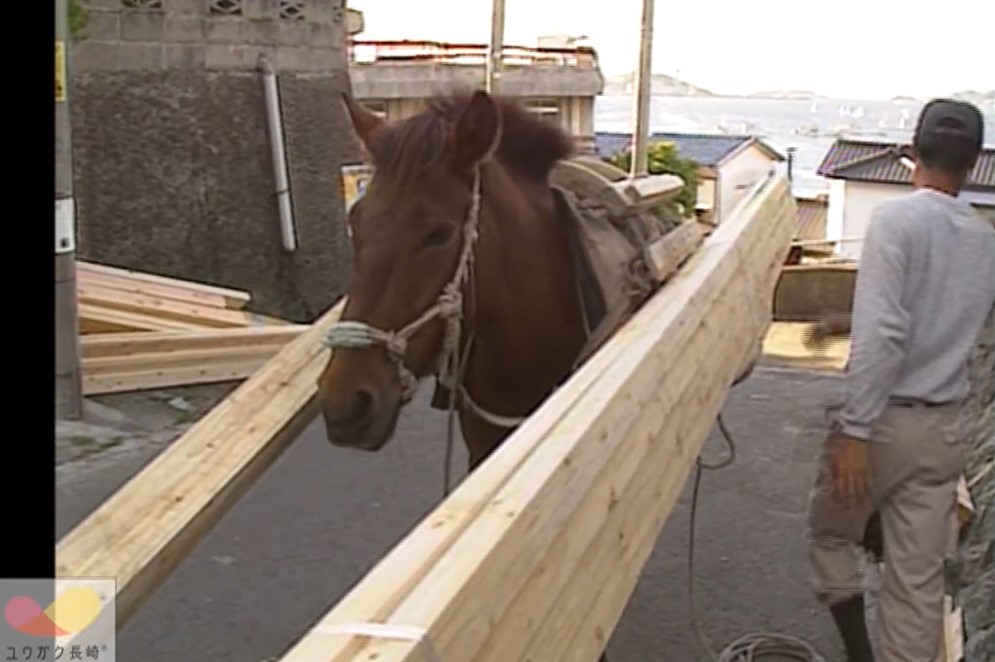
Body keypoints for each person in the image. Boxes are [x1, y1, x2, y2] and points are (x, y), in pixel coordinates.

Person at [805, 98, 995, 662]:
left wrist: (855, 433)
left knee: (832, 533)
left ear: (912, 153)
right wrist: (848, 321)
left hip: (884, 421)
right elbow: (948, 319)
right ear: (973, 164)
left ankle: (859, 654)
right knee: (917, 582)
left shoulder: (894, 220)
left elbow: (886, 333)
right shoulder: (984, 240)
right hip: (943, 432)